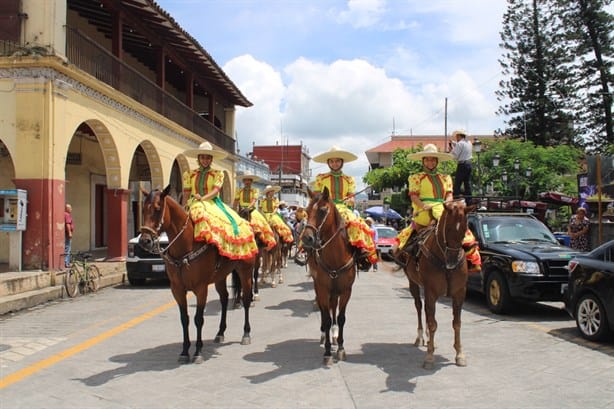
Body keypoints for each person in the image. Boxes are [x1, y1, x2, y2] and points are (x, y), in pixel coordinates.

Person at [395, 144, 481, 272]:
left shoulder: (445, 178)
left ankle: (470, 257)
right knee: (416, 233)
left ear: (437, 161)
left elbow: (449, 195)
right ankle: (409, 257)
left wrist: (447, 204)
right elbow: (413, 196)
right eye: (427, 159)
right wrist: (424, 205)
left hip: (443, 208)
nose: (430, 162)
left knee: (460, 227)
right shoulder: (416, 177)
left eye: (433, 159)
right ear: (423, 161)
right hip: (423, 209)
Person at [182, 141, 258, 260]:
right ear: (198, 158)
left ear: (211, 159)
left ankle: (218, 248)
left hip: (211, 202)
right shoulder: (189, 174)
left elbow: (215, 191)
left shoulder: (218, 174)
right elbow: (186, 192)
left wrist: (202, 199)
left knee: (224, 222)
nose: (205, 160)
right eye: (202, 157)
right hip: (193, 202)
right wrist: (183, 206)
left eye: (208, 158)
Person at [312, 145, 378, 270]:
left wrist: (351, 200)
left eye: (337, 161)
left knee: (356, 222)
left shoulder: (349, 179)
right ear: (328, 163)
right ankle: (308, 249)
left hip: (343, 208)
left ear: (342, 162)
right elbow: (316, 196)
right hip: (326, 206)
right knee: (311, 224)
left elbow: (351, 197)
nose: (334, 163)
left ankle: (360, 250)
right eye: (332, 161)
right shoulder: (321, 178)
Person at [233, 173, 277, 251]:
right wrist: (233, 210)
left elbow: (254, 200)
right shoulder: (239, 191)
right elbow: (236, 201)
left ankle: (262, 241)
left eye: (249, 180)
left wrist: (248, 208)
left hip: (251, 210)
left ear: (251, 181)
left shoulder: (255, 190)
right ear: (243, 181)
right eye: (246, 180)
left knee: (261, 223)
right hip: (241, 210)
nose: (247, 182)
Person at [448, 129, 473, 200]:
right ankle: (469, 201)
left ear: (459, 136)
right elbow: (460, 145)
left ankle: (456, 200)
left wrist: (451, 151)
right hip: (469, 164)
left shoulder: (460, 144)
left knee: (457, 184)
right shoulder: (469, 142)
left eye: (456, 136)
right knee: (467, 183)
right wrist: (453, 143)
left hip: (462, 165)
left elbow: (455, 156)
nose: (456, 138)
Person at [64, 204, 74, 268]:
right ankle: (66, 263)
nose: (71, 209)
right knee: (68, 248)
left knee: (66, 248)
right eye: (70, 208)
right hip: (67, 234)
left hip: (66, 234)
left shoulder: (64, 214)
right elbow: (68, 224)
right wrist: (69, 232)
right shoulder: (67, 215)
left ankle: (66, 262)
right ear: (66, 208)